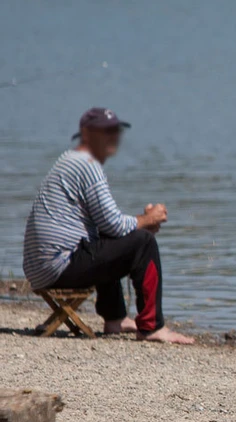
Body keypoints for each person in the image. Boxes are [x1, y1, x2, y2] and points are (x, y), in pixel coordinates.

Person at [22, 108, 194, 344]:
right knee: (143, 243)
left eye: (115, 131)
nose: (113, 137)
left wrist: (138, 224)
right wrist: (147, 220)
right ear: (86, 133)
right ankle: (152, 327)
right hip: (57, 266)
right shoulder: (88, 165)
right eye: (106, 131)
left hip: (42, 268)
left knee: (110, 238)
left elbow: (107, 226)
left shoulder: (71, 159)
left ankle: (115, 319)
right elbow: (113, 225)